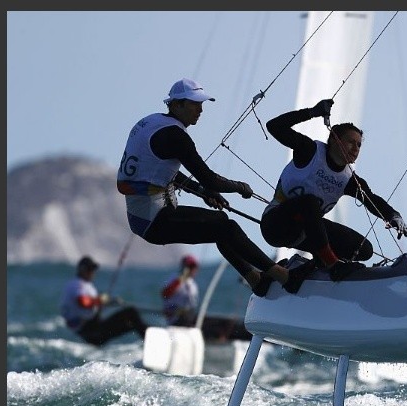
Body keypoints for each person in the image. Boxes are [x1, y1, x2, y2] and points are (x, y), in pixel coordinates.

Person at [117, 78, 305, 297]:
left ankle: (257, 281)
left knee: (220, 228)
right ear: (176, 105)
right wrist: (238, 187)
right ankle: (285, 277)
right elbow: (211, 179)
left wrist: (203, 192)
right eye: (195, 104)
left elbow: (158, 170)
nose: (201, 109)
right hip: (153, 220)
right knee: (226, 227)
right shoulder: (176, 136)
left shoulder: (152, 122)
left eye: (202, 104)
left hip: (146, 215)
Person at [259, 98, 407, 292]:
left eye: (359, 145)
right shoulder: (309, 151)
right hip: (276, 225)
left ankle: (301, 268)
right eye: (350, 142)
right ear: (334, 140)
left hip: (307, 234)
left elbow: (371, 199)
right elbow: (274, 126)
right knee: (309, 203)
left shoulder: (348, 179)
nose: (355, 149)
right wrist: (311, 112)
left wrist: (393, 216)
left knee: (364, 250)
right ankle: (331, 264)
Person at [60, 256, 149, 346]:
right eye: (90, 269)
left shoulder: (83, 285)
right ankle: (151, 340)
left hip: (93, 332)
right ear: (82, 270)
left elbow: (89, 305)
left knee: (132, 324)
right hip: (91, 333)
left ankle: (151, 335)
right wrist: (101, 300)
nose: (93, 272)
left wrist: (109, 301)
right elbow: (84, 302)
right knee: (131, 312)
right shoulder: (77, 284)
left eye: (93, 269)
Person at [161, 254, 252, 342]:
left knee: (219, 322)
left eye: (194, 267)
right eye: (190, 267)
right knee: (210, 325)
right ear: (184, 267)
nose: (193, 270)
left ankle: (231, 338)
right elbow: (165, 294)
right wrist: (181, 278)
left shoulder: (192, 283)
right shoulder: (175, 279)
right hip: (177, 318)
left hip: (188, 316)